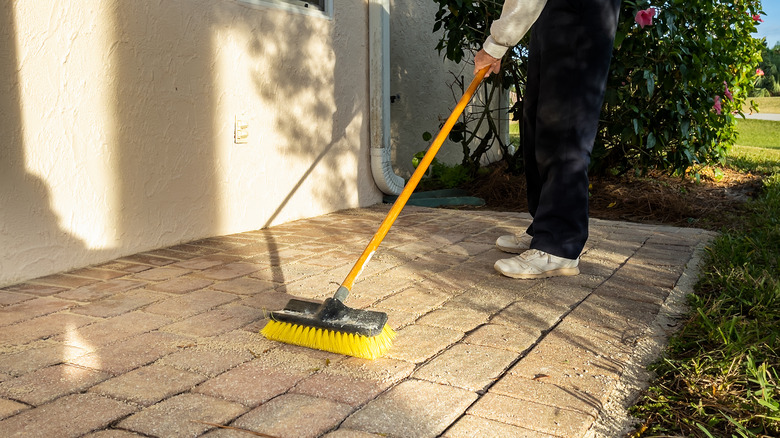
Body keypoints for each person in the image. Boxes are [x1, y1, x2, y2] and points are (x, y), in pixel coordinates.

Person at [473, 0, 622, 279]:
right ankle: (544, 228)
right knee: (538, 120)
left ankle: (559, 244)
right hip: (552, 13)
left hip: (580, 13)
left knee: (564, 126)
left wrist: (496, 44)